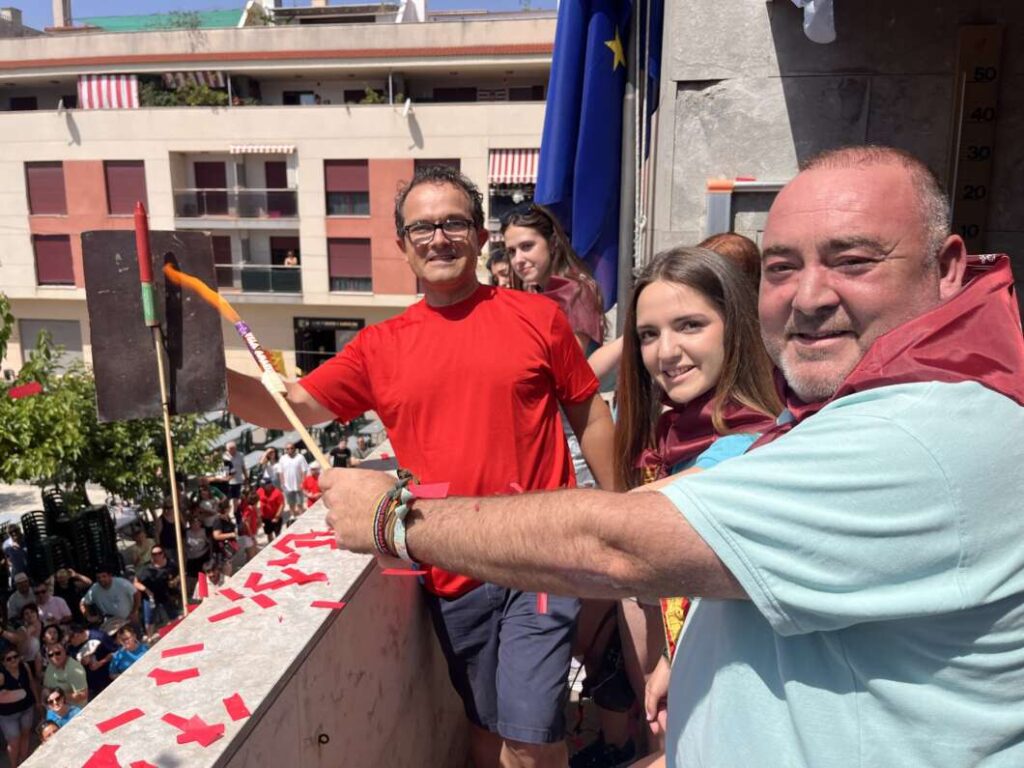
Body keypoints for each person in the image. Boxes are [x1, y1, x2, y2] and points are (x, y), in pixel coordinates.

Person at [320, 146, 1024, 768]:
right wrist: (681, 664)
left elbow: (617, 539)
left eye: (854, 260)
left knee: (529, 735)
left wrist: (393, 520)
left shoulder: (920, 435)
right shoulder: (826, 412)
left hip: (522, 568)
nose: (811, 296)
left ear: (949, 267)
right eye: (784, 267)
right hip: (479, 593)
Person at [229, 165, 615, 768]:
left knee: (532, 738)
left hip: (542, 557)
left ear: (481, 235)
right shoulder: (380, 346)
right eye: (422, 227)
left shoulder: (537, 319)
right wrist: (196, 370)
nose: (439, 238)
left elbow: (590, 416)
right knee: (485, 727)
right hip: (451, 568)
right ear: (402, 245)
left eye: (454, 222)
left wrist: (617, 516)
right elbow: (291, 406)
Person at [574, 247, 782, 767]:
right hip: (693, 657)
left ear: (737, 327)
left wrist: (402, 524)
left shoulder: (752, 441)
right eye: (648, 334)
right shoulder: (676, 425)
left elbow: (620, 528)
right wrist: (671, 657)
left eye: (690, 325)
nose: (666, 352)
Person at [503, 202, 605, 351]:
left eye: (527, 246)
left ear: (552, 244)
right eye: (512, 251)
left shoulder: (576, 291)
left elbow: (570, 362)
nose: (518, 260)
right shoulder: (533, 289)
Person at [0, 647, 35, 766]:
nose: (13, 660)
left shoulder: (24, 667)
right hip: (8, 715)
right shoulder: (1, 676)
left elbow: (31, 683)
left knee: (26, 735)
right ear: (4, 662)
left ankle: (24, 762)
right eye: (9, 659)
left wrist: (38, 701)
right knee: (14, 742)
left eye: (15, 657)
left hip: (27, 708)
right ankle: (14, 765)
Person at [135, 547, 181, 636]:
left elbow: (178, 575)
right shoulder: (146, 568)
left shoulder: (171, 564)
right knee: (149, 620)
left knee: (174, 616)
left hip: (165, 594)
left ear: (163, 553)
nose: (157, 556)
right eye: (154, 554)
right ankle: (150, 637)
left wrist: (175, 582)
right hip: (150, 596)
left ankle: (178, 633)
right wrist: (147, 590)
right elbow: (135, 582)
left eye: (159, 553)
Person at [66, 623, 116, 701]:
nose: (69, 644)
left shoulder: (99, 636)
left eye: (69, 641)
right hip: (93, 686)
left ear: (76, 635)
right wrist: (83, 662)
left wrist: (100, 663)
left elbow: (115, 652)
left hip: (110, 677)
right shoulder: (72, 648)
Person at [42, 643, 87, 707]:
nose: (54, 657)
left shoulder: (75, 669)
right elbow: (46, 687)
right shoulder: (50, 666)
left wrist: (59, 696)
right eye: (50, 655)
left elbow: (83, 695)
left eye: (58, 653)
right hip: (55, 710)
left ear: (64, 652)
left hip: (74, 711)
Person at [277, 442, 309, 521]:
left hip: (298, 484)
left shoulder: (300, 457)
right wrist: (282, 483)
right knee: (291, 503)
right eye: (287, 449)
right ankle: (293, 515)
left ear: (294, 449)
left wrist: (303, 482)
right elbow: (280, 472)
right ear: (285, 450)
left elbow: (304, 470)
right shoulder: (282, 458)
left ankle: (302, 516)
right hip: (287, 486)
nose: (290, 450)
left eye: (291, 448)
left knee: (299, 502)